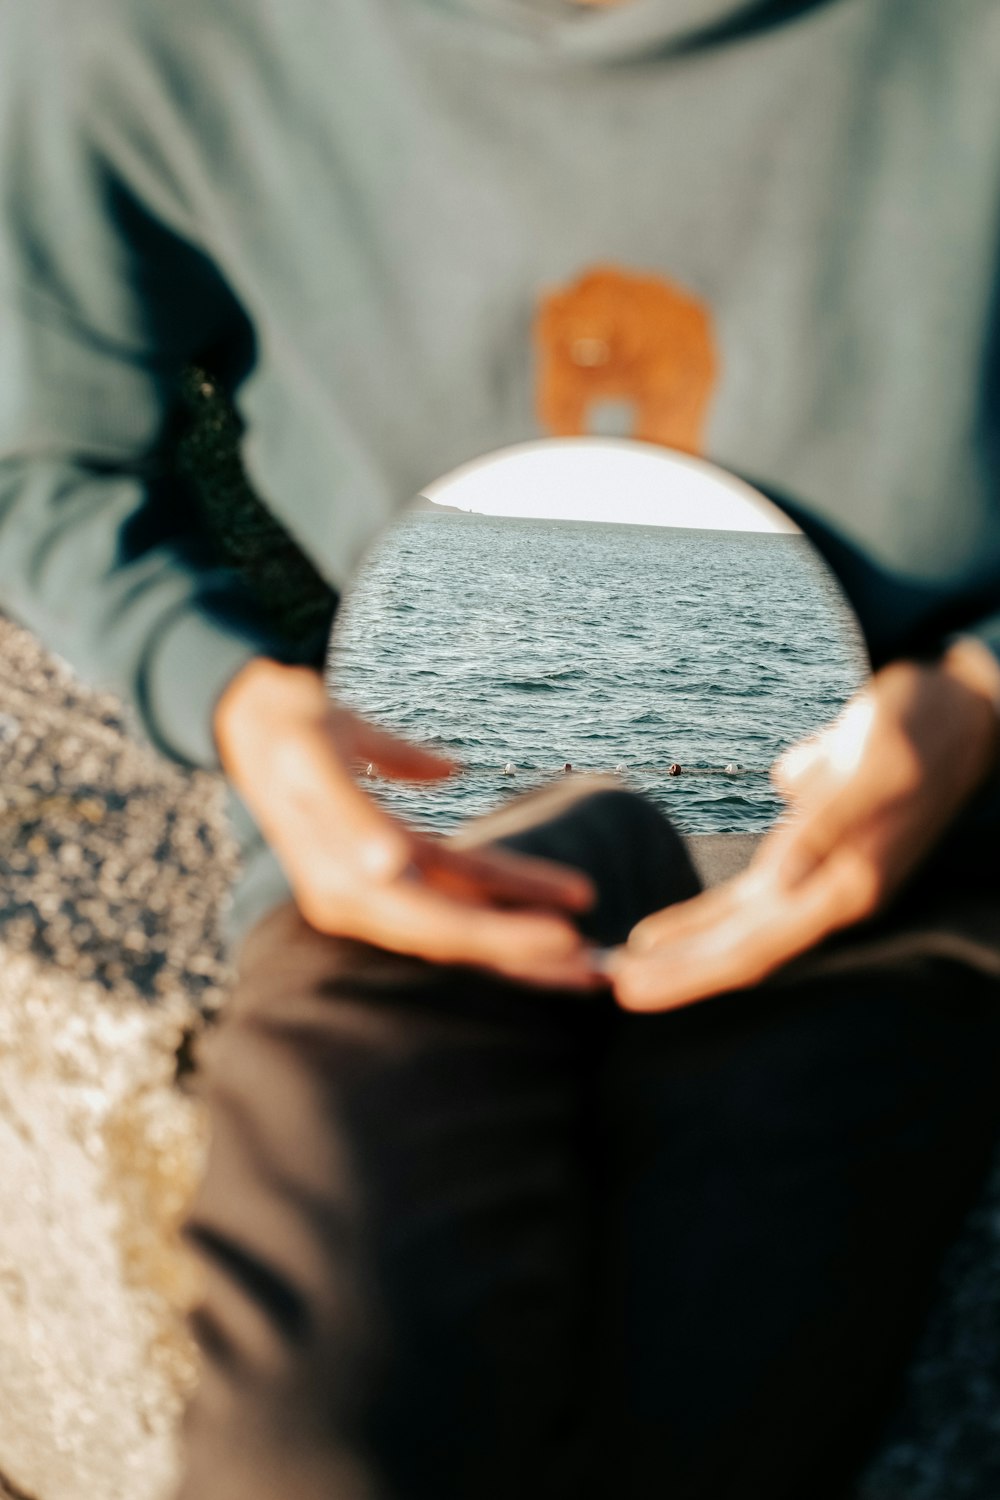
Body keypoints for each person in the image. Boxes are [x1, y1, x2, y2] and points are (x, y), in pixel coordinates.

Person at [2, 0, 1000, 1494]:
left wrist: (983, 697)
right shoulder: (140, 32)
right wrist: (235, 703)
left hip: (889, 863)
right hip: (416, 849)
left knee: (719, 1411)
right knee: (314, 1453)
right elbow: (40, 457)